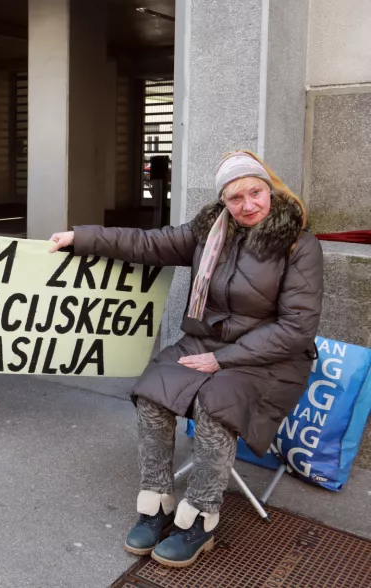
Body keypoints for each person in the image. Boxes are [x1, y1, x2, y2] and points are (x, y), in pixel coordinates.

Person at [48, 151, 323, 568]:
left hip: (272, 359)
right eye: (235, 198)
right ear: (223, 203)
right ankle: (156, 500)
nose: (248, 205)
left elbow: (297, 328)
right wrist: (79, 238)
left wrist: (225, 360)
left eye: (255, 192)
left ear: (271, 190)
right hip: (206, 344)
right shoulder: (207, 232)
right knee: (152, 395)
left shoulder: (300, 244)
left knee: (217, 406)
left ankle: (200, 518)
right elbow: (146, 243)